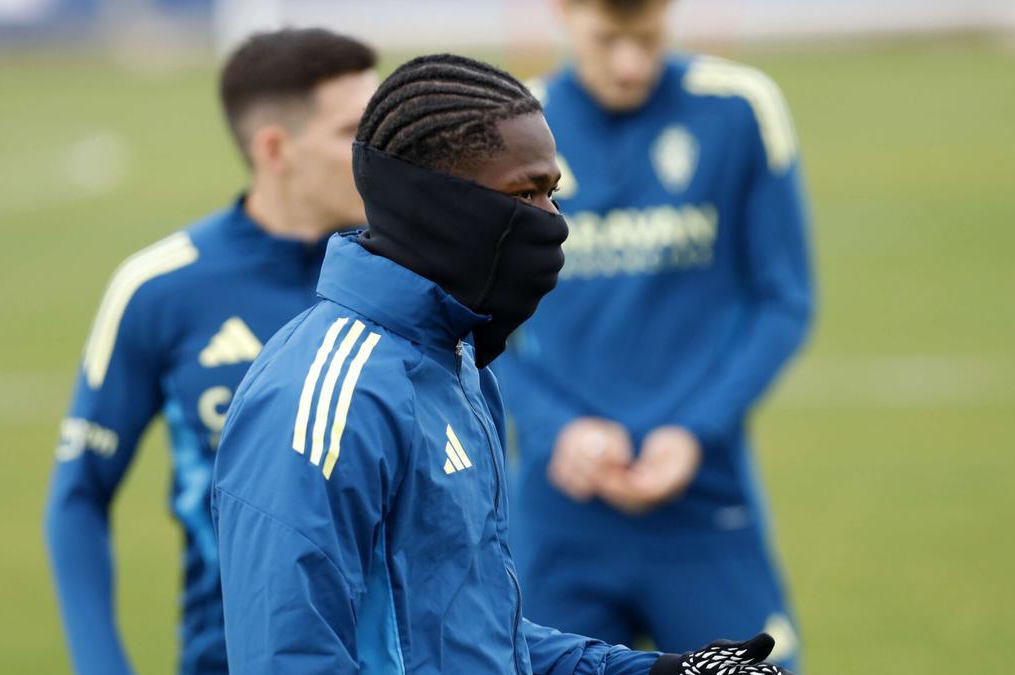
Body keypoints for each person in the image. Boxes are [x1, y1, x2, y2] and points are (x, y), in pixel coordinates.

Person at [211, 53, 792, 675]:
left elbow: (475, 639)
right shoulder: (322, 398)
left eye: (553, 192)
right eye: (524, 194)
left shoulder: (457, 366)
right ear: (438, 207)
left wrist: (656, 672)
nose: (554, 223)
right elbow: (289, 660)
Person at [43, 28, 377, 675]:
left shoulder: (413, 274)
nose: (378, 154)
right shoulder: (161, 286)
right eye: (351, 134)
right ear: (275, 148)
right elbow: (79, 491)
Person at [494, 0, 815, 668]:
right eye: (608, 40)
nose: (630, 62)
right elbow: (472, 316)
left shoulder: (737, 107)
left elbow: (784, 299)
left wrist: (696, 427)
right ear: (563, 14)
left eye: (647, 39)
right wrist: (558, 426)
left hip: (702, 496)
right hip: (562, 505)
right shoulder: (512, 124)